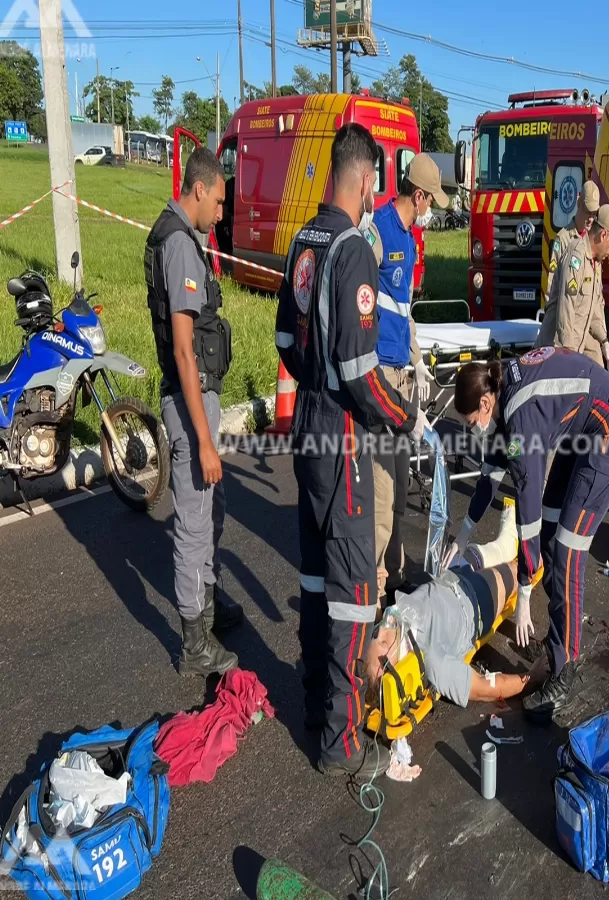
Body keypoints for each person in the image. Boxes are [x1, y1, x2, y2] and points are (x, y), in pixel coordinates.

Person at [274, 123, 429, 780]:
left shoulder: (303, 243)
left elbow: (285, 337)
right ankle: (339, 743)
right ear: (367, 181)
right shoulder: (354, 248)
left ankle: (316, 706)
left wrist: (314, 381)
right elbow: (365, 373)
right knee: (354, 589)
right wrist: (405, 420)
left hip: (309, 424)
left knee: (315, 576)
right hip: (342, 435)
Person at [442, 347, 609, 722]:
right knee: (547, 534)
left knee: (567, 552)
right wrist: (462, 535)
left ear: (484, 402)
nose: (471, 428)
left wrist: (525, 592)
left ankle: (566, 668)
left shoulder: (521, 416)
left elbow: (525, 502)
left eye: (470, 421)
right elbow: (491, 475)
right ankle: (560, 636)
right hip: (581, 430)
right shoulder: (501, 395)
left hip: (608, 430)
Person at [145, 147, 243, 678]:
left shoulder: (183, 237)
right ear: (200, 190)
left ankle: (207, 606)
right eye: (221, 201)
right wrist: (205, 440)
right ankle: (193, 641)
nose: (223, 213)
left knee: (212, 511)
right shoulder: (180, 244)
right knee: (193, 525)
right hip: (190, 402)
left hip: (196, 397)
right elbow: (185, 350)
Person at [365, 153, 446, 604]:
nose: (432, 210)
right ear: (418, 195)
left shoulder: (411, 240)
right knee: (380, 493)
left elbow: (405, 312)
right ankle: (375, 595)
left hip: (401, 373)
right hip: (378, 376)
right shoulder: (376, 231)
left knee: (398, 486)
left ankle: (394, 577)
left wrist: (417, 364)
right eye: (431, 201)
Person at [367, 504, 530, 706]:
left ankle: (508, 539)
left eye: (376, 634)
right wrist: (532, 677)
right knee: (525, 566)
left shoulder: (395, 632)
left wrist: (372, 592)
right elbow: (485, 687)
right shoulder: (433, 661)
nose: (383, 627)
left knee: (485, 551)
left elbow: (379, 627)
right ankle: (549, 546)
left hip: (449, 577)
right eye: (383, 641)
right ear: (398, 668)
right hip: (476, 599)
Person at [537, 206, 609, 371]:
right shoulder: (575, 256)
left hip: (579, 344)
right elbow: (566, 307)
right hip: (555, 350)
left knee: (598, 379)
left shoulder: (595, 262)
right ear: (603, 235)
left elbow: (596, 306)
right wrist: (568, 353)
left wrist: (604, 341)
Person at [539, 181, 601, 324]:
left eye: (594, 213)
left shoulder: (592, 241)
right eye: (588, 212)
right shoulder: (564, 239)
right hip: (563, 320)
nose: (591, 218)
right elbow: (552, 285)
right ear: (578, 204)